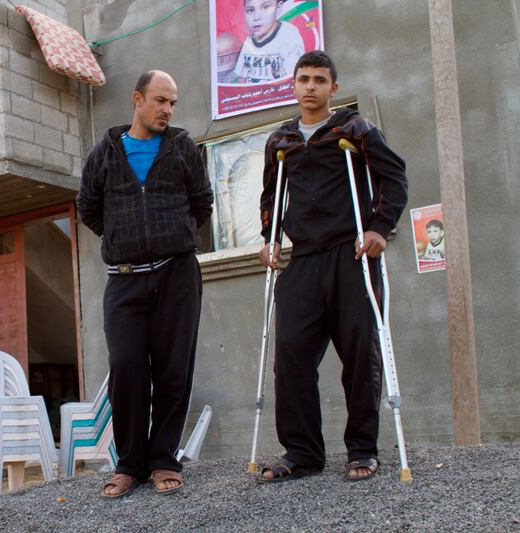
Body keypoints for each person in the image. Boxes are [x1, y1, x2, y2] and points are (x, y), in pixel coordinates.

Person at [258, 51, 408, 482]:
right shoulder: (280, 141)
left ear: (333, 88)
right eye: (303, 79)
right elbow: (271, 197)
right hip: (303, 257)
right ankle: (302, 453)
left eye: (319, 80)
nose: (310, 87)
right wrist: (269, 240)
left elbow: (393, 176)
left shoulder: (355, 129)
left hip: (350, 253)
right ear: (293, 84)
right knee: (290, 355)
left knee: (360, 353)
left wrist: (380, 228)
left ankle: (362, 449)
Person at [76, 70, 213, 498]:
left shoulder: (183, 148)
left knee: (174, 369)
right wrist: (123, 239)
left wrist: (175, 235)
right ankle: (129, 464)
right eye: (160, 100)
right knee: (128, 368)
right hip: (125, 280)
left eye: (172, 102)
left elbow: (203, 202)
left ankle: (163, 461)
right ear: (137, 99)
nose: (167, 110)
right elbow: (88, 208)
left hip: (177, 274)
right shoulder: (105, 153)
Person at [232, 0, 304, 83]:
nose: (256, 17)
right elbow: (242, 78)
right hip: (253, 94)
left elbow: (295, 78)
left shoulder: (288, 34)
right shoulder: (248, 41)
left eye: (265, 7)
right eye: (250, 10)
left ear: (279, 7)